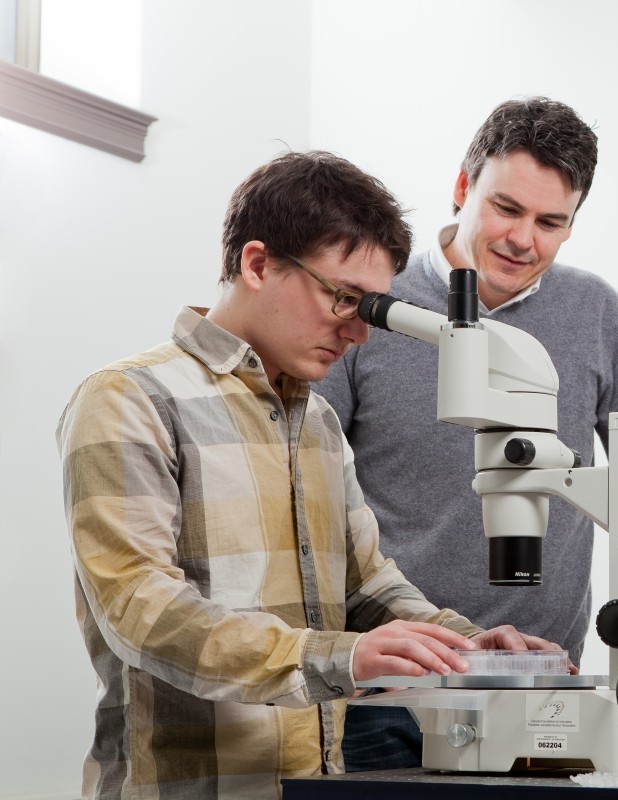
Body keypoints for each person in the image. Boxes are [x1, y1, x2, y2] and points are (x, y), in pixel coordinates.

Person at [56, 150, 560, 800]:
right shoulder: (128, 399)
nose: (359, 333)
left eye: (370, 307)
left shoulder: (317, 420)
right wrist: (336, 657)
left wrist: (463, 646)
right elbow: (139, 608)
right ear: (258, 263)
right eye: (344, 298)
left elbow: (365, 584)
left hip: (315, 787)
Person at [315, 96, 618, 771]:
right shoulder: (373, 301)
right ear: (462, 187)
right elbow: (307, 490)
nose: (524, 240)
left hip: (542, 684)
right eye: (507, 209)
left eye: (551, 222)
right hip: (390, 688)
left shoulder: (594, 311)